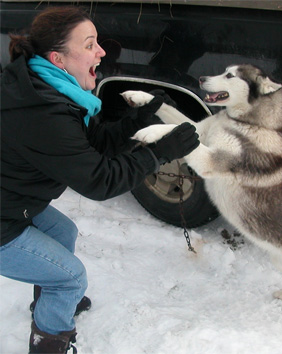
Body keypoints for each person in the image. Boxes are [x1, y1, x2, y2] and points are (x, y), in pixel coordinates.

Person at [0, 6, 199, 353]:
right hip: (3, 217)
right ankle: (49, 340)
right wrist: (159, 152)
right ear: (58, 58)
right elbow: (99, 181)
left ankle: (53, 297)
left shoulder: (50, 88)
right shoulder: (43, 112)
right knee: (71, 276)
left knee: (64, 232)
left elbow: (93, 146)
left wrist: (137, 120)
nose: (102, 51)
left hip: (11, 201)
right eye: (90, 43)